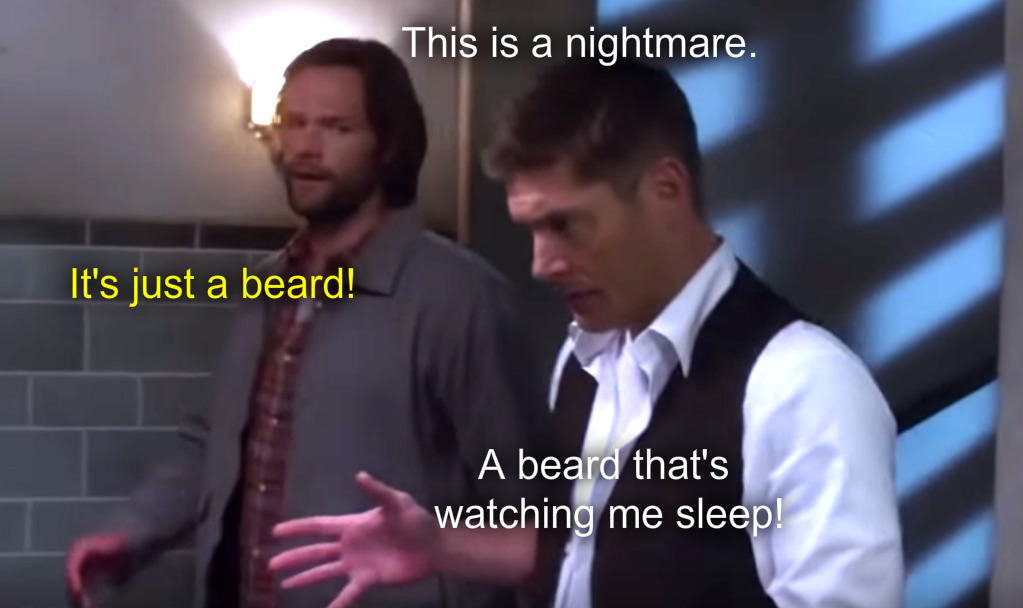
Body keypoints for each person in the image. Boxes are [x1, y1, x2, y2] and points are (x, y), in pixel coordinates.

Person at [266, 57, 905, 608]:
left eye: (566, 225)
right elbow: (582, 550)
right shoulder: (585, 359)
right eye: (532, 230)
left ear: (666, 190)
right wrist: (439, 546)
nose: (541, 264)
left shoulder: (802, 385)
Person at [65, 37, 551, 608]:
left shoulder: (460, 298)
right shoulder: (269, 285)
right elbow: (215, 444)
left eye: (336, 127)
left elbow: (524, 502)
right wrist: (130, 535)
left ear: (389, 144)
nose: (304, 146)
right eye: (293, 123)